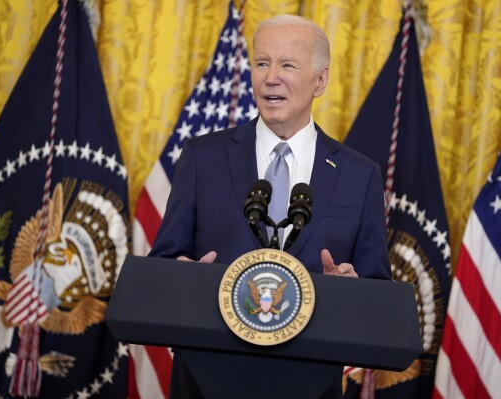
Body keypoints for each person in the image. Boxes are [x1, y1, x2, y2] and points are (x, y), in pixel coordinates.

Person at [149, 14, 391, 398]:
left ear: (321, 80)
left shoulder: (359, 175)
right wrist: (184, 279)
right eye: (262, 63)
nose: (270, 77)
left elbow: (378, 295)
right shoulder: (203, 157)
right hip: (208, 379)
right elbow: (162, 265)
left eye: (288, 65)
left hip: (307, 382)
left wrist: (352, 291)